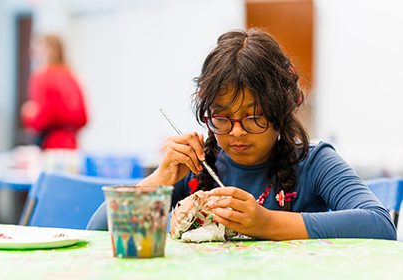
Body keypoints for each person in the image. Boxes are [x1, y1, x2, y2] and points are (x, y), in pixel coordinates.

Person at [87, 28, 396, 241]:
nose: (236, 132)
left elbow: (380, 224)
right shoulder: (196, 167)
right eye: (222, 118)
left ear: (281, 111)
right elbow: (98, 231)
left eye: (253, 117)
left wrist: (266, 223)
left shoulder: (313, 162)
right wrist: (158, 181)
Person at [21, 35, 88, 149]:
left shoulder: (42, 76)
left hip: (50, 145)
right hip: (72, 144)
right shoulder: (71, 75)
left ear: (46, 51)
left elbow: (42, 119)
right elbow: (84, 117)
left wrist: (28, 114)